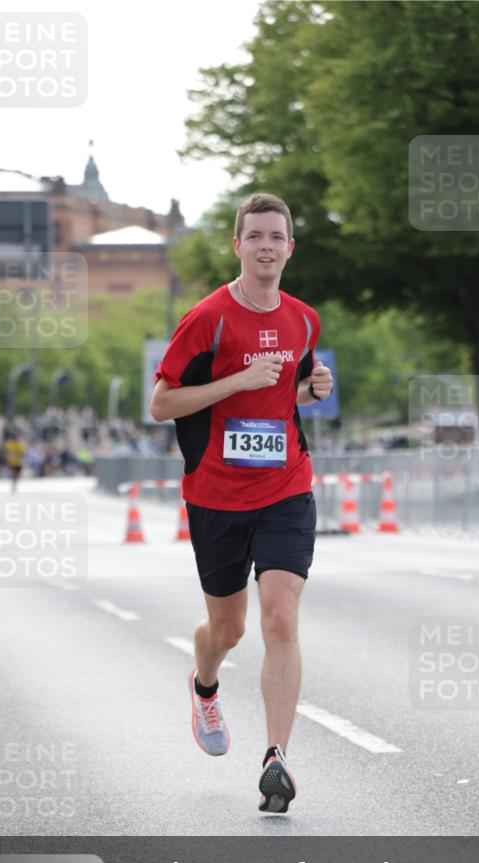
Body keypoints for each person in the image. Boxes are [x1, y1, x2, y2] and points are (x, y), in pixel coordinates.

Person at [150, 192, 333, 813]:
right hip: (216, 495)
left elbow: (288, 396)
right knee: (227, 628)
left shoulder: (304, 319)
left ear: (289, 247)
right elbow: (162, 404)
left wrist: (312, 388)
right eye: (253, 236)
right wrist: (233, 381)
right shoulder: (208, 318)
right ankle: (204, 685)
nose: (265, 246)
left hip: (286, 486)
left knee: (280, 616)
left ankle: (276, 759)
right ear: (237, 246)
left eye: (275, 236)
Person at [3, 427, 26, 492]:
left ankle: (14, 482)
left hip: (18, 462)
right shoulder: (9, 444)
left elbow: (23, 453)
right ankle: (14, 483)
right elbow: (6, 452)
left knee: (17, 474)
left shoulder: (19, 444)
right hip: (12, 462)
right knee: (14, 473)